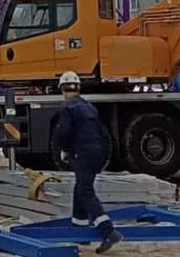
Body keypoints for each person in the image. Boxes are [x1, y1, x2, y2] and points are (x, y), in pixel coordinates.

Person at [53, 71, 123, 253]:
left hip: (82, 154)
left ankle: (108, 231)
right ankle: (79, 227)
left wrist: (64, 150)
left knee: (85, 192)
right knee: (80, 188)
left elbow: (62, 132)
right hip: (96, 153)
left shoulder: (67, 108)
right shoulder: (89, 107)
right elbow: (102, 132)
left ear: (61, 88)